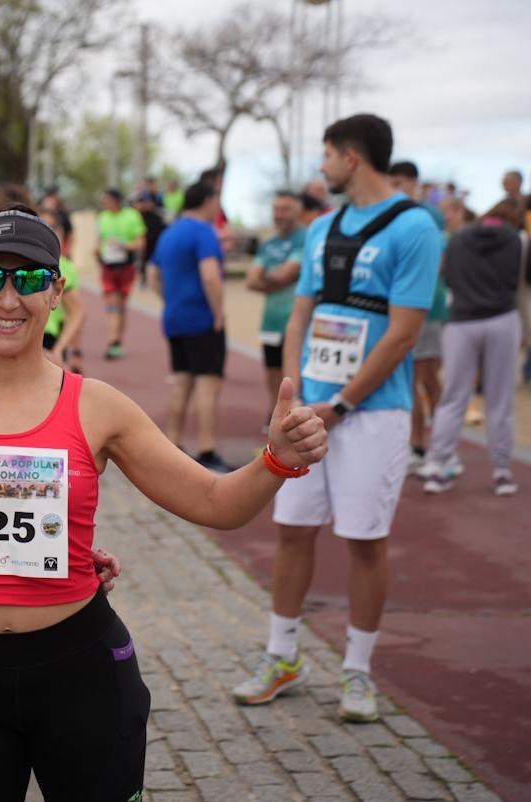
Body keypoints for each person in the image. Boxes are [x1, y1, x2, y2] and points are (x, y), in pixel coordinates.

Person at [0, 206, 327, 802]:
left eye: (28, 279)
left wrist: (276, 459)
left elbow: (214, 500)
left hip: (79, 673)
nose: (8, 298)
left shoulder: (97, 406)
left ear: (57, 291)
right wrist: (42, 544)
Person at [233, 113, 442, 724]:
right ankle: (282, 656)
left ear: (352, 158)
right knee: (292, 530)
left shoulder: (415, 228)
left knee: (364, 540)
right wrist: (295, 394)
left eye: (326, 155)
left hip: (371, 414)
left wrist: (343, 402)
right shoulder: (321, 227)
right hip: (310, 411)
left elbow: (403, 333)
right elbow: (301, 315)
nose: (320, 167)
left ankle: (358, 670)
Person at [423, 200, 524, 497]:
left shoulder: (458, 239)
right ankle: (502, 472)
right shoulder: (518, 240)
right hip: (502, 318)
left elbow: (448, 277)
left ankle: (438, 466)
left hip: (462, 321)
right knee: (500, 397)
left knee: (453, 396)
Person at [147, 182, 233, 473]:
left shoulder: (169, 233)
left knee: (181, 380)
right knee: (208, 384)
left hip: (174, 317)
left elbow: (152, 275)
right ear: (208, 201)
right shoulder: (204, 231)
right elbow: (210, 276)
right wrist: (218, 312)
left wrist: (170, 301)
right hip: (201, 317)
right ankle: (207, 449)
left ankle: (172, 443)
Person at [388, 161, 449, 476]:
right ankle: (418, 445)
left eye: (400, 182)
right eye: (391, 182)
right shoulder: (391, 212)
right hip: (399, 309)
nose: (395, 188)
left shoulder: (429, 214)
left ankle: (443, 447)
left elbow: (438, 261)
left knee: (426, 376)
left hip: (429, 308)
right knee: (408, 377)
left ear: (413, 182)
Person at [246, 191, 305, 420]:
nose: (279, 214)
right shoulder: (268, 243)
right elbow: (251, 281)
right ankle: (274, 417)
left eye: (285, 209)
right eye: (276, 209)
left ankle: (294, 417)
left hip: (296, 321)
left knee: (293, 375)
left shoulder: (305, 238)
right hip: (271, 321)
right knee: (272, 374)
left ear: (297, 212)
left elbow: (283, 274)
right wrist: (278, 277)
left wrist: (271, 275)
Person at [95, 188, 146, 360]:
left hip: (126, 267)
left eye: (107, 201)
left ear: (116, 201)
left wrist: (122, 245)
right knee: (111, 304)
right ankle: (112, 341)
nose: (104, 204)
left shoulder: (132, 216)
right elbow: (101, 240)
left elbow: (140, 243)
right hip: (108, 267)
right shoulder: (103, 217)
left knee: (121, 306)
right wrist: (98, 251)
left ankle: (118, 340)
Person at [40, 208, 85, 374]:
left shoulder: (65, 266)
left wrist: (68, 350)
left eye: (52, 227)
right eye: (42, 226)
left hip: (51, 339)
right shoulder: (20, 262)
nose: (47, 232)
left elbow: (77, 311)